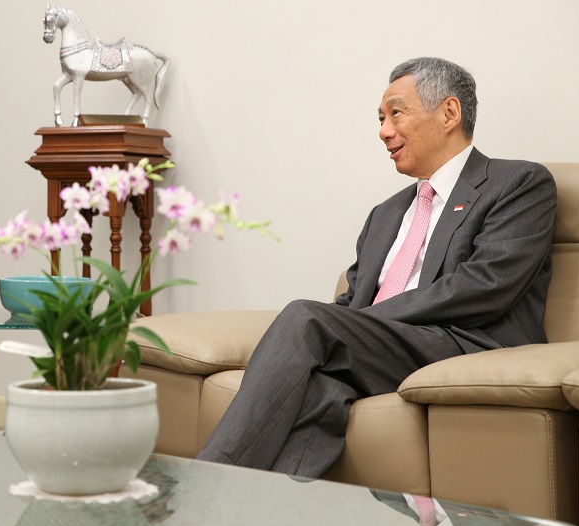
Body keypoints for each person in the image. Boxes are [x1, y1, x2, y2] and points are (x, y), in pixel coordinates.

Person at [197, 57, 556, 478]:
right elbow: (352, 300)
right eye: (381, 119)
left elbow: (486, 285)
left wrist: (352, 323)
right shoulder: (385, 215)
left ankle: (207, 485)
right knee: (320, 385)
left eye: (396, 114)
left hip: (464, 344)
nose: (384, 131)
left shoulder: (518, 183)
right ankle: (279, 524)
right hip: (387, 348)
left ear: (449, 113)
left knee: (305, 317)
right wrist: (350, 324)